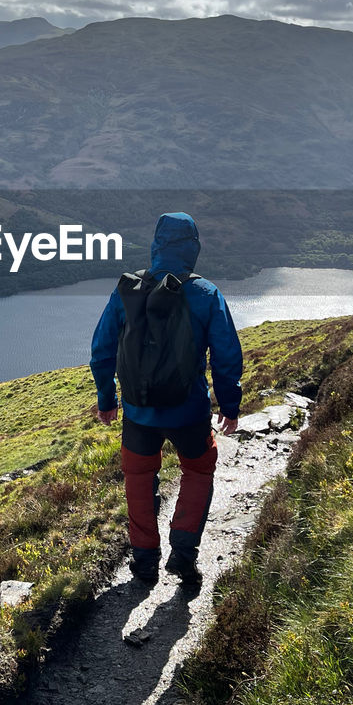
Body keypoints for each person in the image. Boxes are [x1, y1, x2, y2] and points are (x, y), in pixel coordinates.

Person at [89, 212, 243, 586]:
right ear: (193, 247)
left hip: (138, 413)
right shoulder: (206, 293)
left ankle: (144, 562)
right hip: (189, 411)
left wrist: (107, 399)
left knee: (139, 479)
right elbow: (226, 357)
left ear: (156, 244)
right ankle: (183, 554)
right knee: (199, 470)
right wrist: (229, 405)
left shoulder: (128, 288)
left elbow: (102, 350)